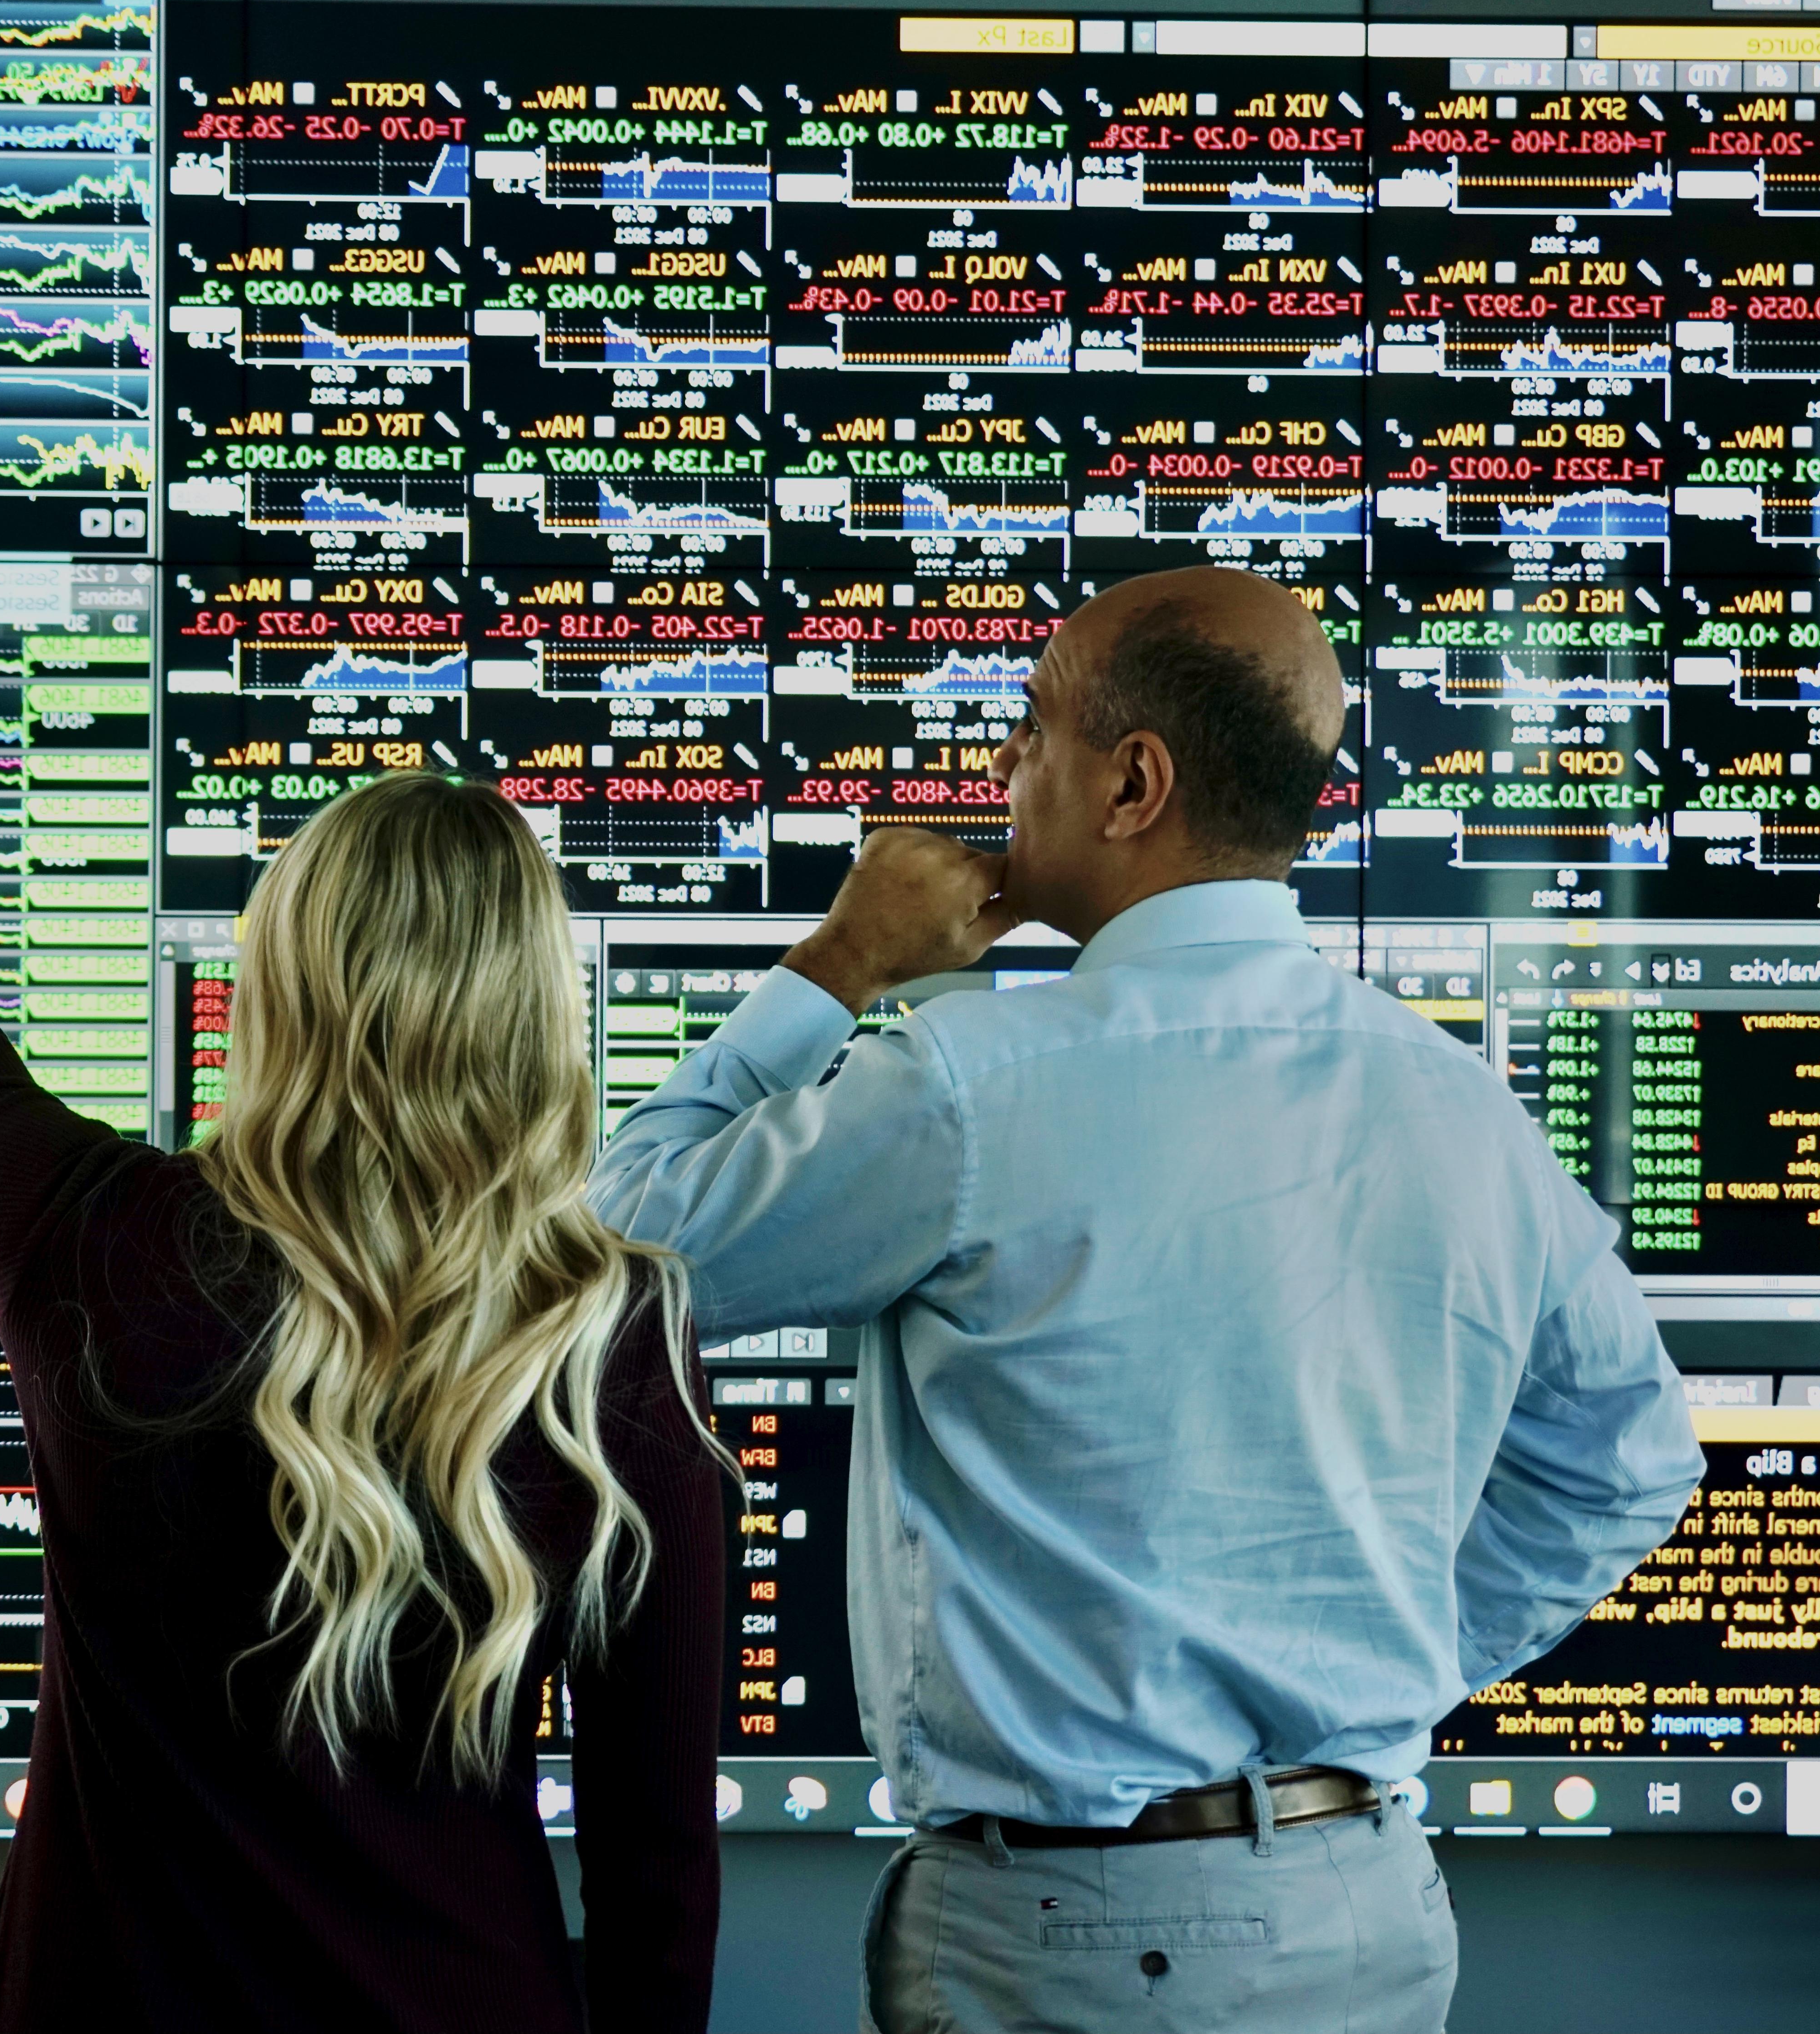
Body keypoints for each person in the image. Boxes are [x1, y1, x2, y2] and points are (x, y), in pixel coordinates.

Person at [590, 566, 1703, 2033]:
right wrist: (1378, 1669)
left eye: (1031, 728)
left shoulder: (970, 1089)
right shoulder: (1459, 1102)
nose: (999, 768)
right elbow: (1628, 1461)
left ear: (1132, 784)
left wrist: (841, 962)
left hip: (1086, 1936)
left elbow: (605, 1249)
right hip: (1369, 1903)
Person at [0, 617, 728, 2034]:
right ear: (534, 1014)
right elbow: (656, 1868)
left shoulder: (91, 1235)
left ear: (268, 988)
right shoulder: (614, 1335)